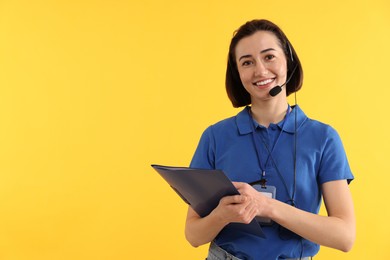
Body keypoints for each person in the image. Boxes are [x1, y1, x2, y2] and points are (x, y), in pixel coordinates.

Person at [185, 19, 355, 260]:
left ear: (289, 60)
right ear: (238, 73)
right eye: (247, 62)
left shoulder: (324, 138)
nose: (260, 71)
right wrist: (221, 215)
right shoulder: (215, 136)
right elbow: (193, 235)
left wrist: (267, 207)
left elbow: (345, 236)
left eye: (269, 57)